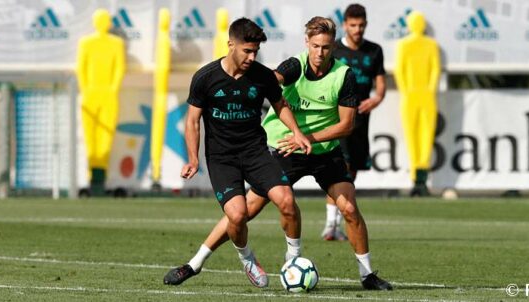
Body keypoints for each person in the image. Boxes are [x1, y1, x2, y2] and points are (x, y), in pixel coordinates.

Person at [164, 16, 393, 291]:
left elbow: (346, 125)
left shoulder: (343, 75)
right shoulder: (294, 65)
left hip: (323, 152)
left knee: (349, 208)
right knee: (244, 211)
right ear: (307, 43)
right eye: (316, 46)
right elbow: (270, 80)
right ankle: (195, 262)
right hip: (286, 149)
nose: (320, 53)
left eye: (327, 47)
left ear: (334, 47)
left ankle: (367, 275)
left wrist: (304, 137)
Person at [163, 18, 311, 288]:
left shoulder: (263, 75)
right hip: (222, 158)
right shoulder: (205, 77)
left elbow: (280, 104)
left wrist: (297, 132)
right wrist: (193, 158)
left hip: (255, 152)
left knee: (287, 201)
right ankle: (247, 258)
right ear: (230, 44)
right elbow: (192, 121)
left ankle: (294, 260)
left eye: (255, 51)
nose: (252, 57)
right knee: (237, 215)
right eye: (247, 51)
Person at [321, 3, 386, 241]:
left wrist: (376, 99)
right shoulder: (334, 49)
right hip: (338, 117)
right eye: (353, 25)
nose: (357, 29)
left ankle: (333, 224)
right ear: (346, 25)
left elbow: (380, 86)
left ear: (365, 24)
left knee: (352, 171)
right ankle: (330, 225)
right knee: (341, 169)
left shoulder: (374, 51)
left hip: (360, 121)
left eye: (361, 25)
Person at [76, 9, 125, 196]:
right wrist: (86, 89)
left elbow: (119, 68)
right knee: (91, 137)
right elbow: (81, 68)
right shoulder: (86, 43)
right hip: (90, 94)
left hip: (108, 95)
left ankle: (100, 173)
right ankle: (92, 173)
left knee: (106, 135)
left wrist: (112, 88)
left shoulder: (116, 44)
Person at [395, 11, 441, 197]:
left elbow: (435, 68)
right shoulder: (405, 45)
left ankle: (421, 175)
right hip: (414, 95)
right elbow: (400, 69)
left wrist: (428, 89)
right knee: (415, 136)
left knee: (424, 135)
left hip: (420, 94)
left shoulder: (430, 45)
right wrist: (408, 90)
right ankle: (417, 176)